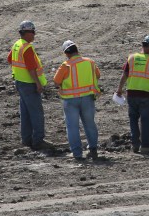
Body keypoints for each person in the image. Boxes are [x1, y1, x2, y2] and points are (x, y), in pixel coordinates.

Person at [7, 20, 54, 151]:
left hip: (20, 83)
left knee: (25, 112)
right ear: (26, 33)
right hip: (29, 84)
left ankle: (26, 139)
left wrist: (17, 72)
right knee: (36, 113)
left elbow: (10, 59)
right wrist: (38, 83)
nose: (34, 35)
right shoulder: (27, 47)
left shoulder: (17, 44)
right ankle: (38, 141)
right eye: (32, 32)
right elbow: (31, 68)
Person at [53, 40, 101, 162]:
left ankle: (77, 154)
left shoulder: (65, 65)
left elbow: (56, 81)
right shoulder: (90, 62)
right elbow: (98, 75)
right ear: (77, 50)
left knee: (72, 127)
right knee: (90, 124)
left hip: (70, 101)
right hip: (87, 99)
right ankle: (93, 150)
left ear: (66, 53)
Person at [116, 35, 149, 154]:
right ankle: (146, 146)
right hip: (145, 95)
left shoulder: (132, 58)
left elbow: (125, 74)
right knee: (145, 121)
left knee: (133, 120)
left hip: (131, 93)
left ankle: (135, 145)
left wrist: (119, 89)